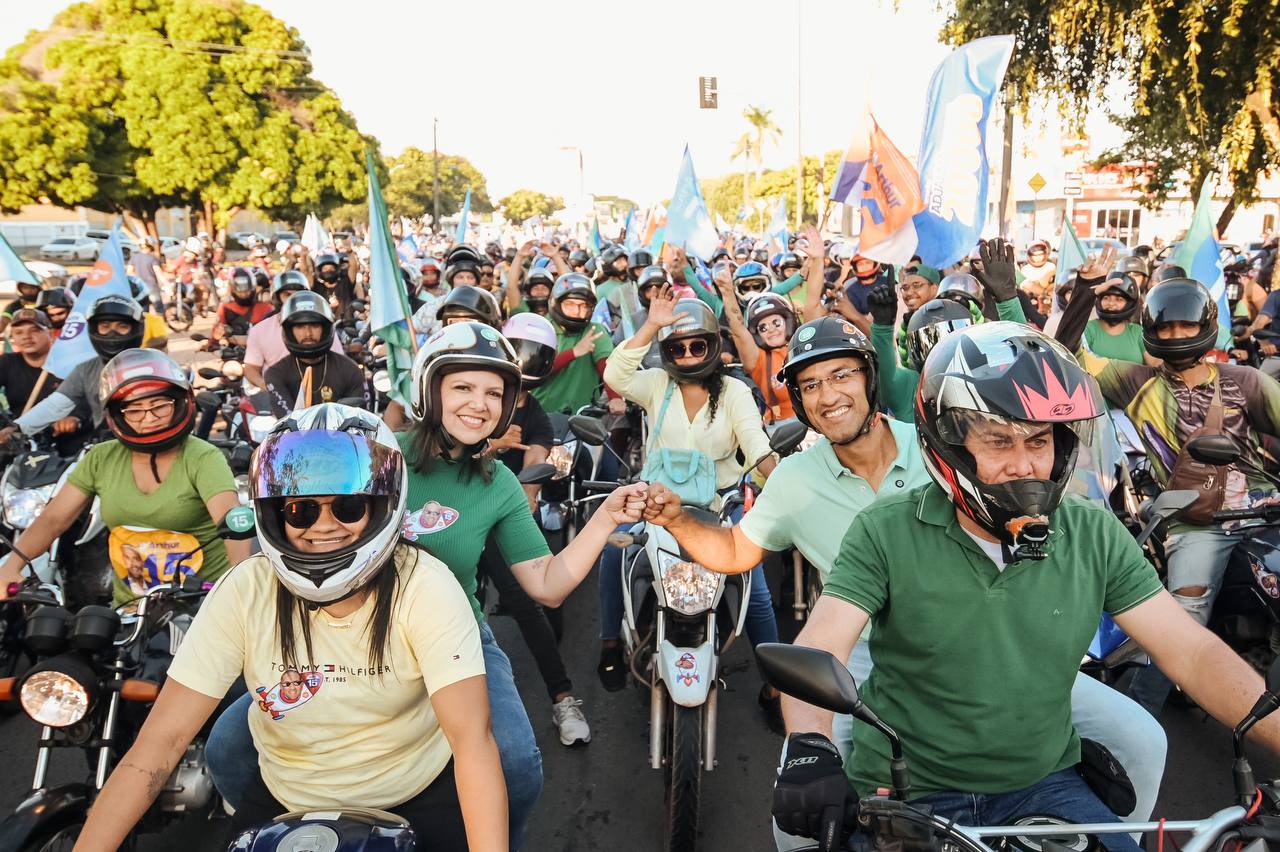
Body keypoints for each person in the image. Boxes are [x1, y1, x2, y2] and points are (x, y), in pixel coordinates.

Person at [640, 316, 1169, 846]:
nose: (829, 395)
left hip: (1008, 641)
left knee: (1144, 742)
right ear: (799, 402)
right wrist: (678, 520)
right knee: (794, 821)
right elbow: (735, 550)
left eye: (841, 374)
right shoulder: (794, 480)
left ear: (871, 378)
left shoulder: (949, 444)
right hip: (869, 652)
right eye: (810, 385)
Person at [769, 321, 1280, 850]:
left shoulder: (1092, 531)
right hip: (905, 791)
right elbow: (823, 642)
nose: (1025, 465)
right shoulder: (885, 529)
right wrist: (810, 748)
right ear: (947, 444)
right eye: (997, 441)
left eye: (1038, 440)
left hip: (1043, 785)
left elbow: (1192, 652)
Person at [210, 323, 648, 850]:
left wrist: (603, 520)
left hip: (457, 637)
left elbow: (548, 584)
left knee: (516, 766)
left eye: (493, 393)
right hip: (333, 630)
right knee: (228, 746)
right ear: (428, 390)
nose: (479, 404)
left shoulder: (498, 482)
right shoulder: (371, 454)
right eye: (463, 387)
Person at [76, 404, 506, 851]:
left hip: (414, 794)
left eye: (348, 505)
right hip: (285, 798)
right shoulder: (245, 589)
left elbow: (472, 742)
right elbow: (159, 746)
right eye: (300, 510)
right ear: (275, 513)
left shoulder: (426, 587)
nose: (323, 527)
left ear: (384, 505)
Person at [1056, 273, 1280, 717]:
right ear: (1151, 332)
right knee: (1182, 621)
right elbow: (1067, 357)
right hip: (1196, 522)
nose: (1175, 335)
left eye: (1186, 326)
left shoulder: (1247, 380)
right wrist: (1084, 292)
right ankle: (1129, 726)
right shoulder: (1134, 381)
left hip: (1267, 510)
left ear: (1205, 327)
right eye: (1165, 327)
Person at [601, 287, 782, 726]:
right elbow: (616, 375)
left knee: (755, 590)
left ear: (712, 347)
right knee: (613, 554)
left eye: (696, 345)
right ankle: (609, 642)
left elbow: (757, 447)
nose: (686, 354)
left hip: (721, 506)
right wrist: (650, 325)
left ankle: (777, 686)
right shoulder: (656, 384)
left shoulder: (736, 392)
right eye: (676, 347)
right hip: (655, 504)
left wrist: (777, 475)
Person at [0, 349, 248, 603]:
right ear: (118, 414)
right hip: (131, 609)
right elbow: (53, 519)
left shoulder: (203, 457)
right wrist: (11, 565)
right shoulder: (100, 458)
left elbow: (231, 526)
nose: (149, 418)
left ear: (181, 402)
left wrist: (237, 590)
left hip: (203, 602)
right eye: (135, 410)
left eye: (160, 406)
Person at [477, 313, 592, 747]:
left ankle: (563, 698)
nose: (524, 365)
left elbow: (531, 479)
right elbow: (439, 453)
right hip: (448, 514)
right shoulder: (479, 399)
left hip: (499, 516)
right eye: (517, 352)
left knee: (529, 600)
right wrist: (491, 446)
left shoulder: (539, 419)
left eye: (534, 357)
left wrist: (518, 480)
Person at [865, 239, 1029, 422]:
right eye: (926, 342)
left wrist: (1008, 299)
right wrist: (881, 327)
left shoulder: (986, 375)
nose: (939, 351)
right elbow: (884, 380)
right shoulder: (911, 385)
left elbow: (1023, 362)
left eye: (949, 335)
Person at [8, 295, 144, 442]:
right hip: (107, 448)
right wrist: (16, 429)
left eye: (122, 326)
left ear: (135, 329)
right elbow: (56, 404)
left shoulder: (154, 364)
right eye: (105, 326)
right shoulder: (85, 369)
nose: (112, 333)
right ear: (94, 329)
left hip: (151, 443)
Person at [263, 290, 367, 414]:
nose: (308, 333)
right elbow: (287, 421)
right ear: (289, 331)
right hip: (295, 434)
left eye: (315, 326)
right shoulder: (275, 374)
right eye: (300, 326)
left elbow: (360, 422)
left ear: (325, 328)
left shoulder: (351, 370)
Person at [533, 272, 620, 415]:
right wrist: (574, 352)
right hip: (542, 413)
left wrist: (615, 398)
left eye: (584, 305)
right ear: (556, 303)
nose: (577, 311)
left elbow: (607, 368)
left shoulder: (594, 330)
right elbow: (539, 370)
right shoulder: (544, 328)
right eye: (570, 304)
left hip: (583, 417)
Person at [244, 271, 341, 391]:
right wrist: (267, 386)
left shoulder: (324, 326)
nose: (295, 299)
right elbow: (251, 367)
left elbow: (338, 361)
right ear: (277, 298)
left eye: (299, 294)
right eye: (287, 295)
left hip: (319, 390)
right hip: (275, 397)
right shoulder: (259, 330)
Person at [724, 292, 797, 423]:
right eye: (763, 328)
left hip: (814, 419)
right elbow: (738, 329)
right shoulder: (759, 358)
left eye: (777, 323)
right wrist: (726, 290)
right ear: (757, 334)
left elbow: (813, 303)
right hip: (781, 426)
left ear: (788, 322)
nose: (771, 329)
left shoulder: (801, 346)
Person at [1074, 272, 1151, 365]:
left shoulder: (1138, 332)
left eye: (1119, 299)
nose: (1111, 303)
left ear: (1129, 303)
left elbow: (1155, 365)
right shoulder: (1088, 329)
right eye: (1106, 298)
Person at [0, 309, 61, 416]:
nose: (26, 337)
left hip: (66, 428)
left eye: (35, 330)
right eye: (19, 332)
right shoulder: (7, 362)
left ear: (50, 334)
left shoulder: (68, 362)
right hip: (19, 428)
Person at [211, 267, 272, 348]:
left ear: (252, 288)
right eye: (239, 292)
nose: (243, 295)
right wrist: (214, 341)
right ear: (233, 290)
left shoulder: (265, 307)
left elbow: (274, 334)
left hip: (262, 352)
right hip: (234, 354)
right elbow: (216, 332)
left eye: (247, 291)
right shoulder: (226, 307)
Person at [409, 257, 450, 334]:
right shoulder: (417, 294)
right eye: (426, 274)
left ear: (438, 274)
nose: (429, 277)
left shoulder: (446, 291)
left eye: (432, 273)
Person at [130, 237, 168, 314]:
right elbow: (158, 272)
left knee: (143, 312)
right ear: (150, 246)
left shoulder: (134, 257)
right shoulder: (153, 258)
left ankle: (144, 326)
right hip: (151, 286)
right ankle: (161, 325)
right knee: (159, 310)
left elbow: (129, 271)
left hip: (140, 288)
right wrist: (167, 284)